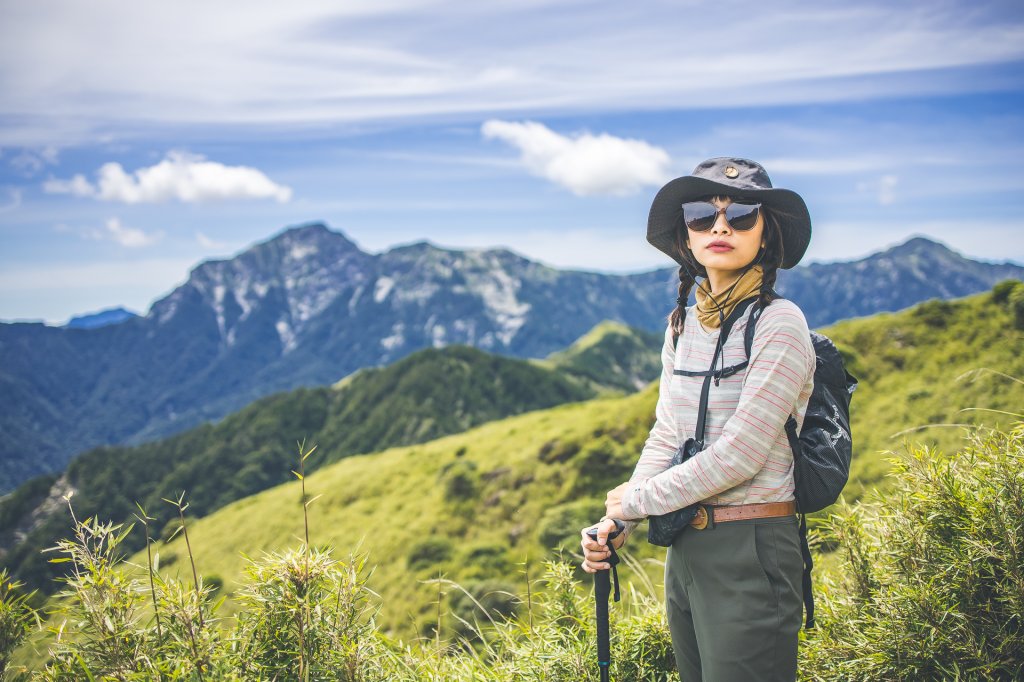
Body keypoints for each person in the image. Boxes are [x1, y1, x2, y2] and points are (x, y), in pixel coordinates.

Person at [580, 157, 817, 682]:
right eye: (700, 216)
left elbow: (741, 455)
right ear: (685, 236)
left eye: (743, 214)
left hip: (752, 546)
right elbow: (669, 432)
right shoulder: (683, 323)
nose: (720, 228)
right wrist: (621, 522)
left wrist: (638, 500)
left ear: (767, 231)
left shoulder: (781, 323)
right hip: (685, 543)